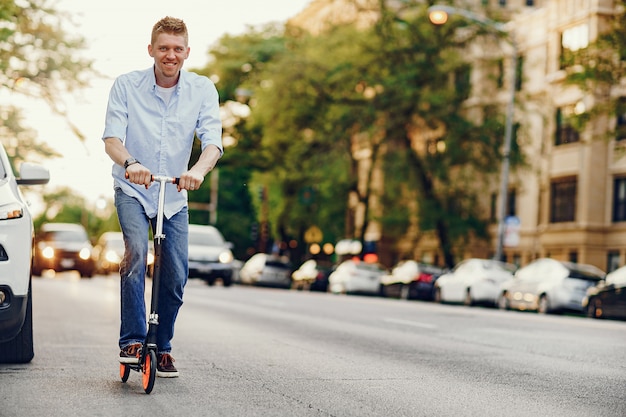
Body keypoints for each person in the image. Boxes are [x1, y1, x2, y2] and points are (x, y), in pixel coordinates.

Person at [102, 16, 222, 378]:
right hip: (134, 189)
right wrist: (132, 163)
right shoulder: (126, 85)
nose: (170, 55)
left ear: (187, 52)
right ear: (151, 50)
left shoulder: (202, 89)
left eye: (177, 49)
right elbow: (111, 140)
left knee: (174, 275)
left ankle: (162, 346)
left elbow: (212, 143)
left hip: (174, 193)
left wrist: (197, 171)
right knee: (137, 249)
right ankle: (133, 341)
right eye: (164, 48)